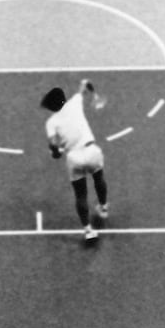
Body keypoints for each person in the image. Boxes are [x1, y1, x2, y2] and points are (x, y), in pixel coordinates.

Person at [41, 78, 110, 242]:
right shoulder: (75, 102)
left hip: (74, 158)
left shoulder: (51, 122)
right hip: (92, 151)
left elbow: (53, 145)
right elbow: (85, 85)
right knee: (99, 178)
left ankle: (88, 230)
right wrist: (93, 93)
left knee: (80, 195)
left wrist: (55, 153)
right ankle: (103, 207)